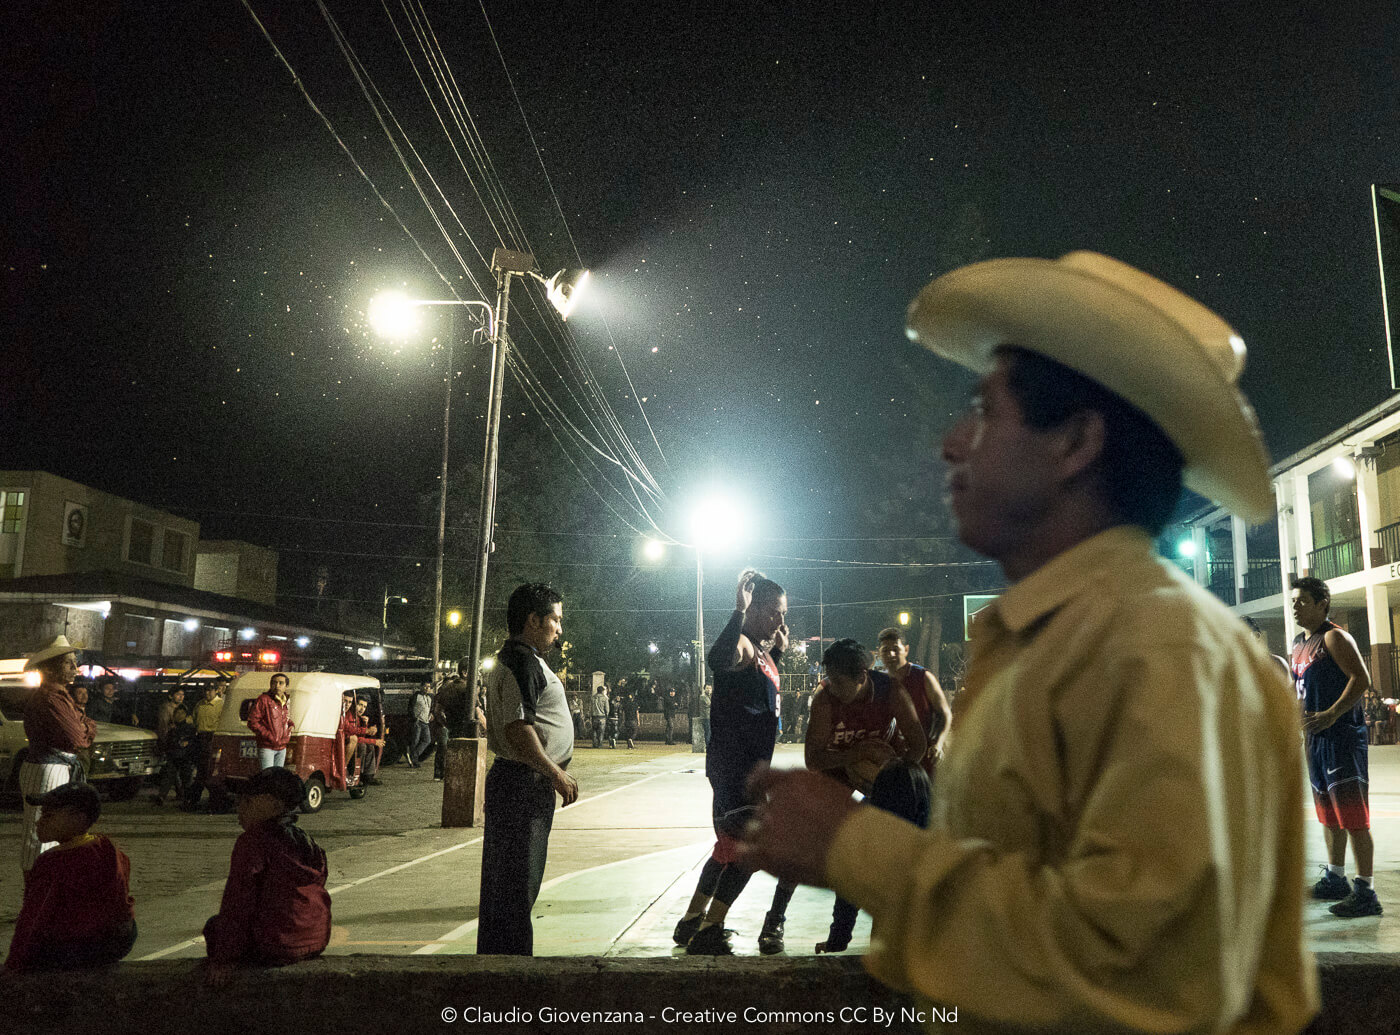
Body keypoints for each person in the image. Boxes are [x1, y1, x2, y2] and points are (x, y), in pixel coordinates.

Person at [739, 251, 1317, 1032]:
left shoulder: (1156, 644)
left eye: (984, 411)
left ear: (1076, 441)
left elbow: (1138, 978)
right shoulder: (1052, 638)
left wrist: (852, 846)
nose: (952, 441)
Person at [673, 568, 788, 956]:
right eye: (774, 611)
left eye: (783, 613)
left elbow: (757, 700)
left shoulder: (763, 654)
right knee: (756, 849)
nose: (780, 620)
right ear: (755, 608)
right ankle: (710, 929)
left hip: (742, 769)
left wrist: (779, 654)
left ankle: (691, 921)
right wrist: (737, 611)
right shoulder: (740, 644)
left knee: (727, 848)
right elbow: (718, 658)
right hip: (735, 769)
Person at [804, 638, 928, 954]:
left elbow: (918, 745)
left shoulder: (891, 691)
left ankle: (885, 946)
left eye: (838, 681)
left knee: (892, 868)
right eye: (828, 678)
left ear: (862, 676)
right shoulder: (825, 701)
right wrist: (852, 756)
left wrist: (893, 770)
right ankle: (780, 923)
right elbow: (814, 759)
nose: (831, 686)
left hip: (888, 780)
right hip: (839, 770)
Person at [477, 583, 577, 956]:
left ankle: (498, 965)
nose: (559, 629)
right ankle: (512, 974)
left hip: (517, 781)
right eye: (555, 619)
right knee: (517, 887)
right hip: (523, 784)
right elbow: (518, 729)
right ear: (533, 620)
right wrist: (555, 772)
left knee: (508, 885)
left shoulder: (523, 658)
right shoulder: (522, 661)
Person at [1291, 575, 1380, 917]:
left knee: (1354, 817)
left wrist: (1330, 714)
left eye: (1302, 601)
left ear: (1322, 602)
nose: (1296, 607)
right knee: (1328, 816)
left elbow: (1362, 679)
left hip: (1342, 737)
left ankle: (1367, 892)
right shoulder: (1300, 643)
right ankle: (1336, 878)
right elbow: (1298, 690)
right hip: (1315, 739)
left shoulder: (1334, 637)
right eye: (1293, 602)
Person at [203, 766, 330, 987]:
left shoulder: (253, 842)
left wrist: (224, 959)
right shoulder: (305, 840)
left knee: (214, 927)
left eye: (248, 801)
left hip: (277, 944)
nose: (239, 808)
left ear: (274, 805)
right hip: (315, 938)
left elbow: (238, 902)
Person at [5, 783, 136, 971]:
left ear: (78, 819)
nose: (39, 822)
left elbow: (33, 919)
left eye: (48, 816)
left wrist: (13, 964)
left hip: (82, 946)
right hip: (122, 938)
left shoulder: (54, 862)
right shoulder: (107, 846)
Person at [19, 635, 96, 879]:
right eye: (69, 663)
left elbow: (84, 726)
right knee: (39, 832)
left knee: (51, 831)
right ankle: (34, 898)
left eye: (75, 662)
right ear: (51, 668)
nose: (75, 668)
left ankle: (44, 895)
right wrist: (85, 725)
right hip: (47, 768)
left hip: (55, 767)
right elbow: (79, 737)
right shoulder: (51, 697)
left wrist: (84, 724)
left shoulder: (61, 696)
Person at [876, 627, 952, 779]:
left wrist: (938, 743)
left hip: (927, 758)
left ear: (906, 649)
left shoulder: (923, 677)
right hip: (896, 761)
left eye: (895, 649)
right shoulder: (879, 683)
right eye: (886, 650)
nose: (891, 654)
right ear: (879, 653)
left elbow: (945, 713)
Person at [184, 681, 228, 811]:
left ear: (216, 691)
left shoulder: (221, 704)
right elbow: (194, 718)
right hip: (201, 738)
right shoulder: (200, 704)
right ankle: (195, 800)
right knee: (202, 770)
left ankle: (214, 801)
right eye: (206, 690)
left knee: (210, 771)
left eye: (210, 690)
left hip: (214, 738)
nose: (207, 693)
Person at [150, 687, 195, 806]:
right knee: (171, 773)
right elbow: (163, 727)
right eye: (178, 694)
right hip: (172, 746)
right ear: (171, 696)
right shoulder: (166, 709)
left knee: (179, 774)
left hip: (181, 750)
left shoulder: (183, 710)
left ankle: (182, 795)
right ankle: (167, 795)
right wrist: (165, 743)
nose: (181, 697)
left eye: (182, 694)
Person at [246, 672, 294, 769]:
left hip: (282, 747)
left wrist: (290, 725)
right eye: (274, 683)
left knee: (276, 777)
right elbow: (252, 722)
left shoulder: (285, 701)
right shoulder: (263, 699)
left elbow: (283, 719)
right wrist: (269, 736)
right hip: (267, 746)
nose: (277, 686)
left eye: (281, 683)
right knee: (267, 777)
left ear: (286, 686)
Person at [408, 682, 434, 768]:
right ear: (421, 687)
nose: (427, 688)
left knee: (427, 740)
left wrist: (430, 715)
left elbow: (430, 709)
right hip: (418, 722)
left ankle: (413, 756)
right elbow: (410, 708)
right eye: (425, 686)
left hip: (426, 722)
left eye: (429, 687)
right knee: (415, 740)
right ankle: (414, 760)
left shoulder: (429, 698)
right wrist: (414, 719)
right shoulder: (416, 697)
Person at [590, 684, 610, 749]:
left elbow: (590, 707)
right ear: (602, 691)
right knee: (601, 732)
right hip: (602, 717)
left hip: (594, 716)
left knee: (594, 731)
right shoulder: (605, 698)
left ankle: (594, 744)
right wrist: (607, 715)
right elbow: (607, 709)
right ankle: (600, 744)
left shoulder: (593, 697)